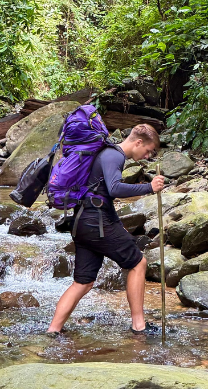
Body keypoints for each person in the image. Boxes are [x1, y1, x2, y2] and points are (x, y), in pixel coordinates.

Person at [46, 124, 166, 335]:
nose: (148, 156)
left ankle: (53, 330)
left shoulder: (104, 153)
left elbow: (101, 195)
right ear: (138, 142)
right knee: (138, 262)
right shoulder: (114, 155)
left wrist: (118, 226)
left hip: (83, 222)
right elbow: (114, 189)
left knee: (83, 282)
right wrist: (149, 187)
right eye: (148, 150)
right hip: (96, 224)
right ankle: (139, 327)